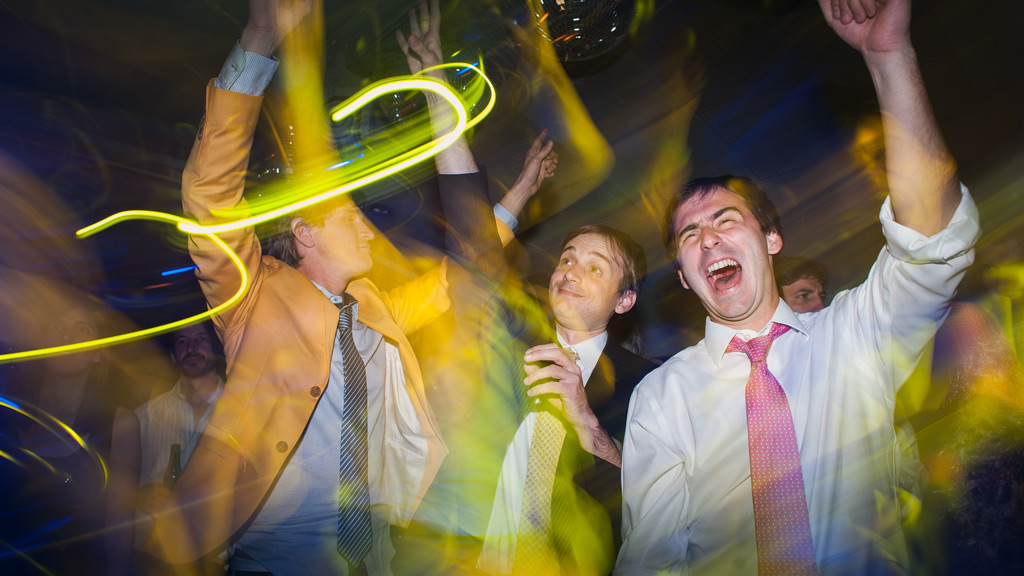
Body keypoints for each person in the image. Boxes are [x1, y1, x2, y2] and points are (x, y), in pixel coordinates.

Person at [616, 0, 980, 574]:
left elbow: (932, 242)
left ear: (771, 239)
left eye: (726, 220)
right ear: (684, 276)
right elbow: (650, 561)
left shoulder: (854, 336)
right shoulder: (661, 398)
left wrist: (889, 57)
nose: (709, 239)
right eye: (690, 235)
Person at [143, 1, 506, 574]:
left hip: (374, 557)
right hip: (275, 558)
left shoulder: (376, 309)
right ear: (305, 233)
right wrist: (260, 38)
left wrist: (514, 199)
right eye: (351, 218)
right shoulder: (255, 295)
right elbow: (210, 197)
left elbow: (464, 275)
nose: (367, 230)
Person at [470, 224, 656, 575]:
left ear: (624, 300)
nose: (571, 273)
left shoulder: (647, 384)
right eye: (567, 260)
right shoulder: (503, 346)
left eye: (594, 268)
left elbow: (648, 497)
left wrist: (585, 418)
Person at [105, 322, 226, 575]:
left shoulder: (240, 412)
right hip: (148, 556)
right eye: (182, 341)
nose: (191, 348)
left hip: (212, 558)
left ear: (216, 350)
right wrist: (138, 495)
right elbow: (113, 491)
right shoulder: (144, 417)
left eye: (201, 339)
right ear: (172, 355)